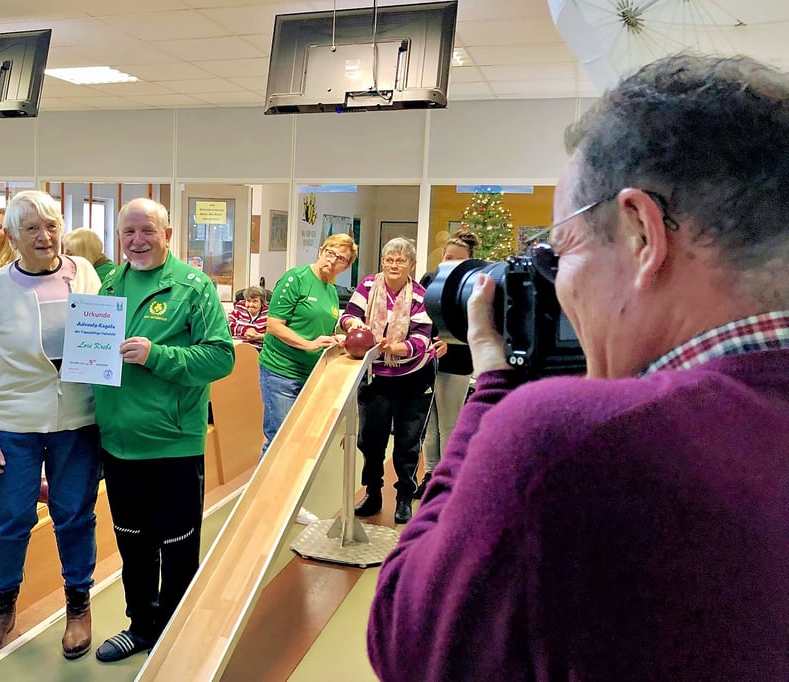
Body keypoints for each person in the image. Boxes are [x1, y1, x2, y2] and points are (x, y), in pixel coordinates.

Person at [368, 54, 789, 680]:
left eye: (559, 253)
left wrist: (494, 390)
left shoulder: (570, 438)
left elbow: (407, 640)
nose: (556, 287)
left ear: (642, 234)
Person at [0, 190, 102, 661]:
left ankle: (78, 606)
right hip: (12, 423)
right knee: (9, 520)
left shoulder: (85, 274)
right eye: (32, 228)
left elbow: (102, 340)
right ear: (13, 237)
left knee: (75, 515)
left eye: (52, 226)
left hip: (76, 420)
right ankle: (3, 608)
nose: (44, 236)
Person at [92, 198, 234, 663]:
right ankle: (141, 625)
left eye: (148, 230)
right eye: (128, 232)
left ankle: (175, 630)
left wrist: (158, 355)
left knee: (177, 545)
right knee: (132, 542)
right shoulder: (108, 285)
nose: (137, 241)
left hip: (174, 442)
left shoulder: (194, 287)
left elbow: (221, 357)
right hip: (119, 442)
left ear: (168, 234)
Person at [257, 233, 357, 525]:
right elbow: (274, 325)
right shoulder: (296, 279)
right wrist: (308, 344)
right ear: (321, 250)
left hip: (311, 376)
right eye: (330, 253)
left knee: (299, 442)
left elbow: (322, 327)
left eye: (342, 259)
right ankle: (264, 502)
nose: (333, 261)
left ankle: (289, 501)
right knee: (279, 439)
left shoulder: (331, 290)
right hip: (281, 372)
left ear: (347, 265)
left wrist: (335, 338)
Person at [338, 238, 434, 525]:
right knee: (370, 440)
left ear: (411, 265)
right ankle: (373, 493)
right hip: (375, 376)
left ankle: (404, 496)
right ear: (382, 262)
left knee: (408, 441)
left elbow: (421, 340)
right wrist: (353, 324)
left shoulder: (420, 296)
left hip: (412, 378)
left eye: (400, 261)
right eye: (389, 260)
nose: (393, 265)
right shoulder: (368, 286)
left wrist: (393, 348)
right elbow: (348, 316)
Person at [414, 231, 479, 499]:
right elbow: (418, 316)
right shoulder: (429, 279)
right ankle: (430, 475)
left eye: (457, 260)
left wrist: (452, 342)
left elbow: (477, 326)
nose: (450, 262)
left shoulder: (474, 284)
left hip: (458, 362)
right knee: (429, 424)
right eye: (447, 257)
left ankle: (447, 479)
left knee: (449, 424)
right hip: (427, 360)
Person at [227, 284, 268, 350]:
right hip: (235, 347)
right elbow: (227, 327)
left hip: (256, 349)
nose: (251, 305)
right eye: (248, 301)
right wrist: (245, 330)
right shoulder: (239, 308)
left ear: (262, 302)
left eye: (255, 301)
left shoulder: (268, 313)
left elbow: (273, 335)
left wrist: (260, 337)